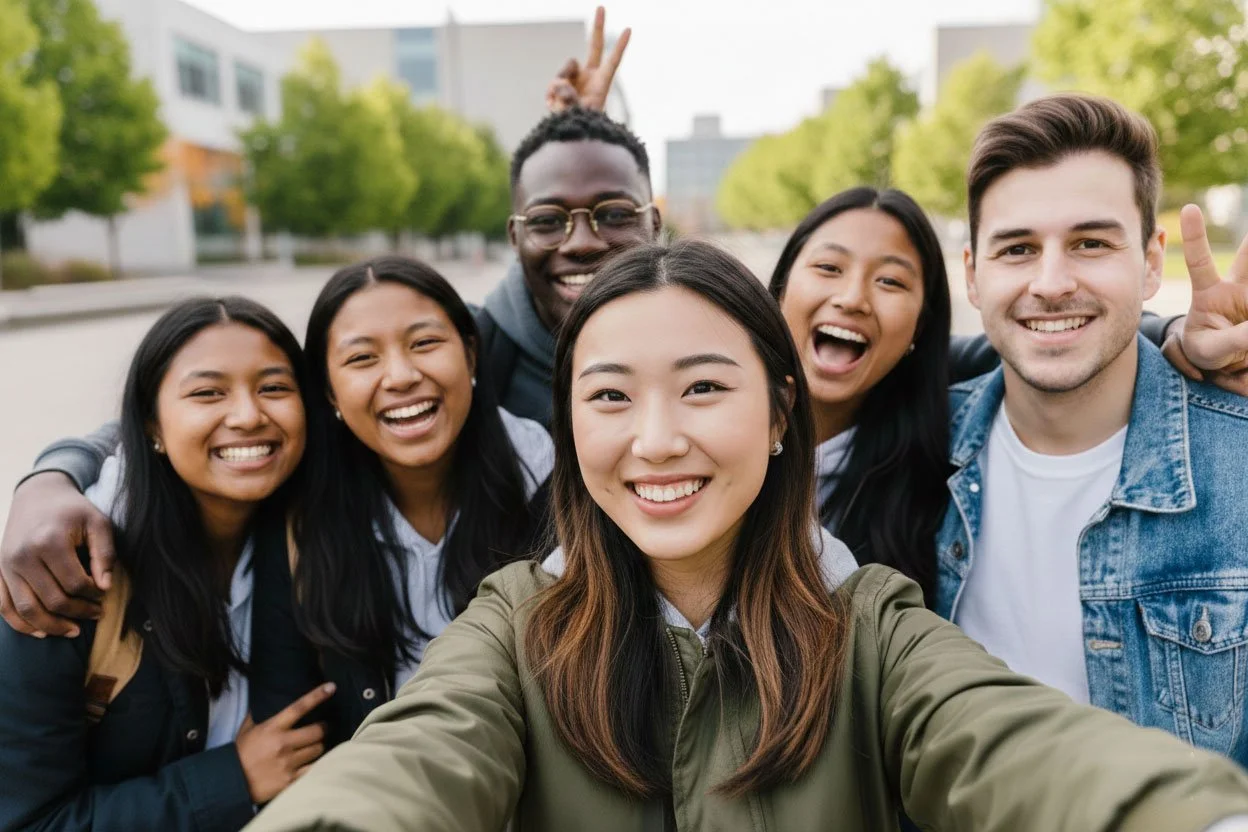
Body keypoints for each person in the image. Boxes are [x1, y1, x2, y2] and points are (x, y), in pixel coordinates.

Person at [244, 240, 1248, 832]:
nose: (656, 439)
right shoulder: (513, 629)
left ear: (778, 414)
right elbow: (414, 759)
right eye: (610, 396)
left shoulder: (870, 628)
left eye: (703, 388)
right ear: (570, 424)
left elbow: (1013, 744)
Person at [936, 93, 1248, 765]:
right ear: (973, 275)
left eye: (1091, 243)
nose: (1051, 283)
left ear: (1151, 263)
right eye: (1018, 248)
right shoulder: (912, 449)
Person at [0, 297, 336, 831]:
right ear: (151, 426)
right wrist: (233, 779)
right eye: (207, 393)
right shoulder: (66, 572)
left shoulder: (310, 531)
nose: (249, 416)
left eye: (274, 388)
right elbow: (29, 821)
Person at [249, 256, 552, 746]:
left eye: (424, 343)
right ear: (328, 391)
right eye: (362, 358)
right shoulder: (296, 513)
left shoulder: (547, 479)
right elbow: (286, 711)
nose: (400, 376)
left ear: (470, 354)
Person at [769, 187, 952, 603]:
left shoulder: (947, 481)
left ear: (920, 326)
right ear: (781, 288)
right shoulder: (703, 426)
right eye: (829, 267)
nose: (852, 299)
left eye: (890, 281)